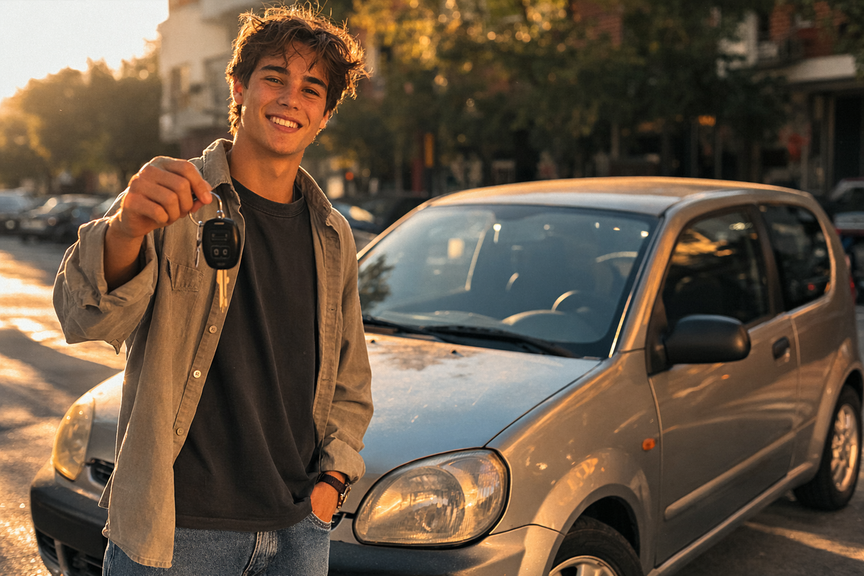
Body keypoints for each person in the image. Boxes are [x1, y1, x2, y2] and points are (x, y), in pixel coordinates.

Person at [53, 5, 373, 575]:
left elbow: (350, 382)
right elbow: (86, 320)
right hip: (176, 537)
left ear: (323, 115)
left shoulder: (333, 234)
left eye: (311, 88)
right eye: (275, 77)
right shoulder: (173, 199)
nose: (290, 98)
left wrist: (332, 483)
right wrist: (125, 228)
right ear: (240, 86)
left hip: (298, 533)